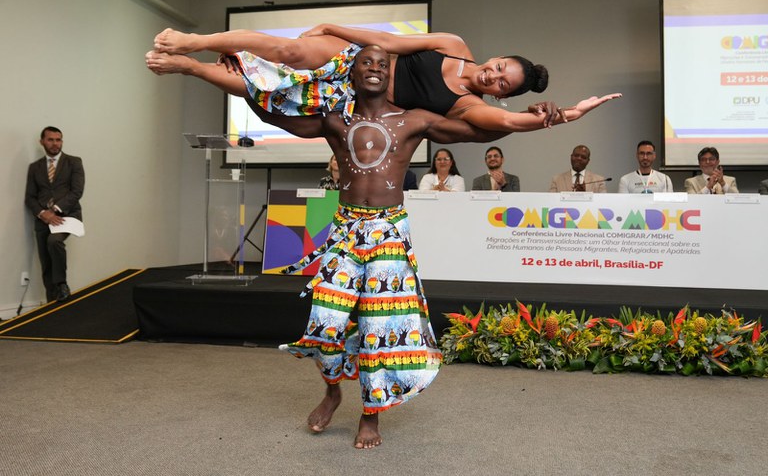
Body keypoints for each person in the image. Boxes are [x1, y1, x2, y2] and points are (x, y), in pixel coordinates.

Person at [243, 45, 619, 449]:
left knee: (379, 326)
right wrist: (247, 80)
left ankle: (370, 414)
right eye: (365, 63)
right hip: (345, 230)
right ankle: (333, 392)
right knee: (325, 321)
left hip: (388, 233)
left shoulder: (414, 120)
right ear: (351, 72)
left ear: (391, 76)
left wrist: (555, 115)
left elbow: (484, 130)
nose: (374, 69)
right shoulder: (338, 118)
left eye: (382, 64)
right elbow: (276, 115)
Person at [146, 25, 575, 131]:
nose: (494, 76)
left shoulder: (470, 107)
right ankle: (193, 41)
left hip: (352, 96)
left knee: (269, 94)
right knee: (290, 51)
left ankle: (191, 69)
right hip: (358, 58)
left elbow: (510, 123)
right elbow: (386, 40)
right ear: (496, 57)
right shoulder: (453, 44)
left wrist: (564, 115)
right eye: (500, 67)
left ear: (503, 95)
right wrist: (335, 26)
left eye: (503, 84)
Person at [24, 126, 85, 302]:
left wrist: (55, 210)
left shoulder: (74, 162)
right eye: (50, 140)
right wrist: (43, 213)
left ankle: (61, 284)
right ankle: (52, 303)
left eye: (58, 140)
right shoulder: (34, 167)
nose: (55, 144)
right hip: (42, 220)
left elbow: (76, 192)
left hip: (67, 215)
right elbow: (30, 197)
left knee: (54, 242)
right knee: (46, 264)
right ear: (42, 141)